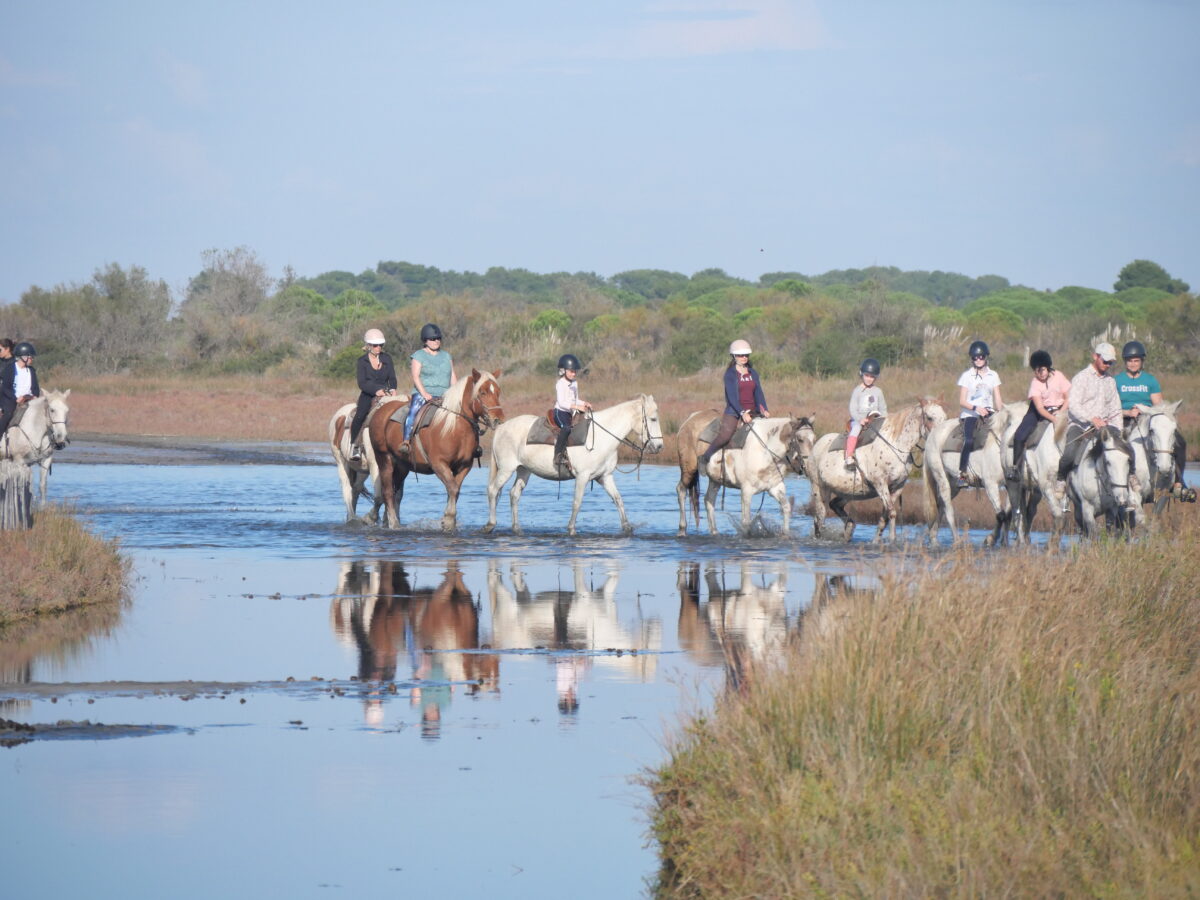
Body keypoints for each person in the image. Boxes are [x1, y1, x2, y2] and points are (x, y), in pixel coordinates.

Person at [1114, 340, 1189, 497]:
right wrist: (1127, 412)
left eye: (1136, 361)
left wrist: (1152, 414)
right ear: (1125, 361)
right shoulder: (1117, 381)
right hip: (1124, 419)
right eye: (1130, 360)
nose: (1133, 364)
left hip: (1147, 418)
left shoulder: (1150, 381)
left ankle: (1178, 483)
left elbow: (1159, 405)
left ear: (1142, 361)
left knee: (1180, 442)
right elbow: (1111, 407)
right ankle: (1119, 481)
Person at [1055, 341, 1122, 499]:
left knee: (1123, 453)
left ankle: (1128, 482)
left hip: (1104, 427)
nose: (1107, 365)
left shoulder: (1110, 382)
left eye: (1110, 362)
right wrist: (1091, 419)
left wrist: (1119, 431)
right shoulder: (1081, 378)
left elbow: (1116, 408)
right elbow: (1074, 405)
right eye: (1105, 361)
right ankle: (1061, 479)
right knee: (1069, 454)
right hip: (1080, 425)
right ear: (1095, 357)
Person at [698, 339, 769, 467]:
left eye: (746, 355)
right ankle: (705, 458)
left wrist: (764, 409)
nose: (744, 357)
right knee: (725, 435)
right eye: (741, 355)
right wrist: (742, 413)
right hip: (734, 411)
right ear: (734, 356)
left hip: (754, 411)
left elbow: (759, 392)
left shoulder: (753, 373)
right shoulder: (730, 374)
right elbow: (732, 397)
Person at [1006, 350, 1071, 481]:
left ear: (1048, 367)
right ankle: (1015, 468)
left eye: (1041, 370)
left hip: (1061, 409)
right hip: (1038, 411)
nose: (1038, 374)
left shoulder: (1059, 376)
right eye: (1035, 371)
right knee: (1020, 435)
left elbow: (1068, 397)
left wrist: (1061, 412)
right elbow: (1040, 408)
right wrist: (1053, 419)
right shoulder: (1035, 383)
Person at [402, 323, 456, 455]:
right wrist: (424, 393)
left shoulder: (446, 356)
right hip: (424, 393)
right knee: (413, 412)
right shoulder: (418, 356)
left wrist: (455, 394)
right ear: (425, 340)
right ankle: (406, 440)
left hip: (445, 394)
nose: (436, 341)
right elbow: (415, 377)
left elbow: (452, 376)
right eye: (432, 339)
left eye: (438, 338)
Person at [955, 340, 1002, 488]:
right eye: (975, 357)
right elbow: (962, 401)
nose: (978, 360)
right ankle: (962, 474)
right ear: (972, 359)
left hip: (989, 413)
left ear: (986, 357)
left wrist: (1002, 412)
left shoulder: (993, 375)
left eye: (981, 357)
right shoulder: (966, 376)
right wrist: (976, 408)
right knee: (969, 441)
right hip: (970, 415)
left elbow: (998, 398)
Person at [348, 328, 397, 461]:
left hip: (386, 393)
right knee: (359, 416)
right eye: (375, 345)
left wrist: (393, 389)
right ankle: (355, 447)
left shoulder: (387, 358)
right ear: (368, 346)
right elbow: (362, 383)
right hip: (368, 394)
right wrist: (375, 391)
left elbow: (392, 378)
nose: (378, 348)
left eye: (381, 345)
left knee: (399, 413)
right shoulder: (362, 361)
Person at [552, 353, 592, 471]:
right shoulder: (560, 384)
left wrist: (584, 403)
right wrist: (576, 406)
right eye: (571, 371)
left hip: (570, 412)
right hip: (560, 412)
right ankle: (558, 455)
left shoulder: (575, 383)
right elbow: (562, 402)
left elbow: (575, 399)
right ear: (564, 371)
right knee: (566, 428)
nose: (573, 373)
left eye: (575, 371)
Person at [845, 358, 887, 468]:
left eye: (872, 376)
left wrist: (884, 418)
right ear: (862, 374)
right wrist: (860, 419)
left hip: (874, 421)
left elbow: (883, 409)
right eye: (867, 375)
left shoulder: (878, 392)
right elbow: (852, 408)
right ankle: (848, 456)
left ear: (875, 377)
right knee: (856, 429)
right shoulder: (857, 391)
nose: (869, 379)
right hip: (859, 420)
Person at [0, 341, 41, 436]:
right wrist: (16, 399)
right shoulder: (10, 369)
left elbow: (35, 389)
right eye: (31, 357)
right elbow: (5, 388)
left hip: (28, 400)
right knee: (7, 415)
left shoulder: (31, 371)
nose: (32, 359)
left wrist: (33, 396)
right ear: (23, 357)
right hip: (11, 401)